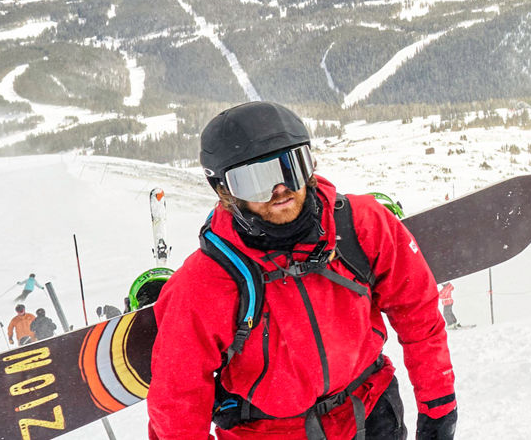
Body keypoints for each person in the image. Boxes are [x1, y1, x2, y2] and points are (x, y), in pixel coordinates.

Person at [148, 101, 456, 440]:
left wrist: (438, 406)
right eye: (255, 180)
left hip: (369, 412)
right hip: (271, 431)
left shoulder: (358, 225)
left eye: (289, 168)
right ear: (225, 191)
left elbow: (417, 311)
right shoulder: (205, 281)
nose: (280, 189)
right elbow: (178, 400)